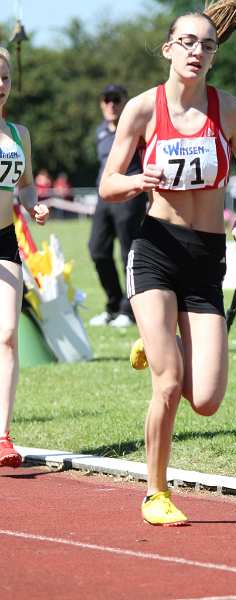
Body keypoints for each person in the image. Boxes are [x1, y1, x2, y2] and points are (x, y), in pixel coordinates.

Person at [99, 0, 236, 525]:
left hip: (206, 259)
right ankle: (155, 492)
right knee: (169, 382)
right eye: (187, 42)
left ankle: (155, 338)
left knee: (206, 399)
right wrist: (138, 180)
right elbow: (108, 184)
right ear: (168, 49)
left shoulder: (231, 110)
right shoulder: (141, 109)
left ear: (214, 55)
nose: (197, 51)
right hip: (156, 250)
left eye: (207, 45)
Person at [0, 47, 49, 467]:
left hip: (4, 240)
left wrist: (33, 205)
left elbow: (26, 184)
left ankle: (2, 437)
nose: (0, 85)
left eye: (5, 77)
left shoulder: (19, 134)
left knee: (8, 335)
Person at [88, 84, 147, 328]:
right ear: (101, 104)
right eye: (107, 100)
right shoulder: (100, 132)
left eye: (116, 99)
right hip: (104, 199)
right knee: (97, 250)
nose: (111, 105)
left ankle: (129, 311)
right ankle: (113, 306)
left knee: (128, 253)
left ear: (125, 102)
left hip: (130, 197)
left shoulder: (135, 129)